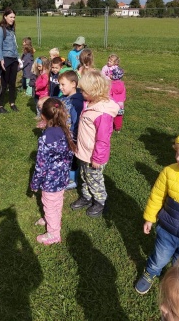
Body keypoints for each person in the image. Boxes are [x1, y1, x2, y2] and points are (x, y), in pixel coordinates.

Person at [135, 127, 179, 295]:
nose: (177, 158)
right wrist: (149, 218)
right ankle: (150, 272)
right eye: (177, 153)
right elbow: (157, 196)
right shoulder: (169, 172)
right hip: (167, 230)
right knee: (159, 257)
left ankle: (177, 283)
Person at [70, 70, 119, 217]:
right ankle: (86, 197)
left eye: (83, 91)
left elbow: (103, 139)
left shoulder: (102, 113)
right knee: (85, 177)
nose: (81, 92)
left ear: (94, 91)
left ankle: (100, 202)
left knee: (95, 180)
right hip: (84, 153)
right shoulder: (90, 103)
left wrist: (98, 158)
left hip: (93, 156)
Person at [30, 98, 76, 245]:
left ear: (43, 116)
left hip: (50, 181)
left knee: (49, 205)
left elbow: (41, 166)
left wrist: (34, 183)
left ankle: (53, 234)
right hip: (63, 178)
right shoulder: (66, 131)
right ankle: (54, 220)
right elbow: (69, 156)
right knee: (57, 202)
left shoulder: (45, 138)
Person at [58, 70, 84, 189]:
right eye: (60, 84)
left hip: (72, 136)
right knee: (67, 156)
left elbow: (76, 122)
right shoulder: (66, 97)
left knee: (72, 157)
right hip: (65, 134)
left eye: (63, 84)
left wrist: (72, 136)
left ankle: (72, 179)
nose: (60, 87)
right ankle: (67, 174)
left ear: (73, 84)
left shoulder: (76, 103)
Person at [0, 7, 20, 113]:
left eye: (14, 17)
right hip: (5, 59)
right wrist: (1, 60)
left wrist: (18, 58)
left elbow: (14, 45)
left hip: (14, 59)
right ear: (5, 17)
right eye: (11, 17)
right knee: (4, 83)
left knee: (12, 82)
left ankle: (12, 103)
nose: (13, 19)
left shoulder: (12, 29)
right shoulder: (0, 30)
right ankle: (0, 106)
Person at [110, 66, 126, 132]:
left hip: (113, 103)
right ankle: (118, 128)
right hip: (120, 104)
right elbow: (124, 94)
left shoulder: (111, 85)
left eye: (112, 74)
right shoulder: (122, 85)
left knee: (111, 116)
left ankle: (110, 127)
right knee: (119, 117)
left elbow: (109, 94)